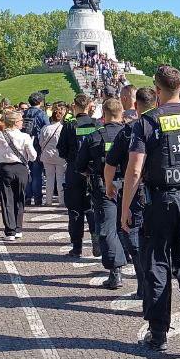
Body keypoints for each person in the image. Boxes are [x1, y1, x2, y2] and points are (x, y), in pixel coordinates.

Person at [120, 65, 180, 352]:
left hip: (159, 201)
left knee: (156, 264)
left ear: (157, 87)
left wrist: (126, 207)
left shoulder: (147, 121)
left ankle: (158, 332)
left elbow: (135, 169)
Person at [105, 86, 155, 298]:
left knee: (131, 233)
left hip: (136, 190)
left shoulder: (129, 130)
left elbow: (111, 164)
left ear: (135, 105)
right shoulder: (162, 126)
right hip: (163, 191)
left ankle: (145, 279)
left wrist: (109, 186)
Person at [77, 98, 128, 287]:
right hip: (131, 184)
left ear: (103, 115)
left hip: (104, 186)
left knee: (108, 229)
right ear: (122, 112)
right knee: (132, 227)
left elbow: (80, 165)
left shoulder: (95, 136)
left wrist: (92, 174)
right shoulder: (131, 133)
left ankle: (116, 271)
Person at [57, 93, 100, 257]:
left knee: (75, 210)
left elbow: (61, 149)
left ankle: (77, 247)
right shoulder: (96, 124)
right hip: (93, 171)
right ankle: (96, 240)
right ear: (89, 106)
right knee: (92, 208)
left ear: (74, 106)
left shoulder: (70, 126)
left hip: (74, 170)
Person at [0, 110, 37, 241]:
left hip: (5, 168)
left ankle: (10, 230)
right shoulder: (24, 136)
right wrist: (30, 142)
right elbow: (33, 157)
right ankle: (18, 228)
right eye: (20, 121)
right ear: (15, 122)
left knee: (7, 199)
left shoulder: (0, 135)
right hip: (21, 168)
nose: (22, 123)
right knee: (20, 198)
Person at [21, 92, 49, 206]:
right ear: (40, 102)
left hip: (24, 143)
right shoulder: (41, 114)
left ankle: (27, 196)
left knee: (28, 171)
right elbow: (47, 128)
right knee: (37, 173)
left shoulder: (25, 113)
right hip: (37, 144)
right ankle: (37, 198)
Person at [38, 103, 67, 205]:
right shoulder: (63, 128)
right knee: (60, 178)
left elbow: (40, 142)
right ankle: (62, 200)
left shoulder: (45, 128)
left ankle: (48, 201)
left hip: (47, 155)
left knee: (49, 178)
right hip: (60, 156)